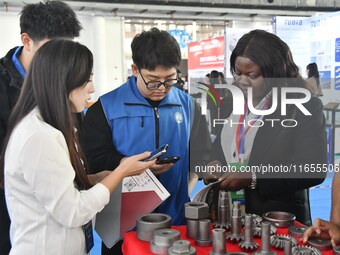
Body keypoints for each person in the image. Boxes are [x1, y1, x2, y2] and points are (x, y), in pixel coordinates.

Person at [0, 39, 155, 255]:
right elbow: (74, 211)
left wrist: (94, 179)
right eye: (87, 80)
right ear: (62, 81)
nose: (92, 88)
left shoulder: (56, 127)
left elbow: (56, 187)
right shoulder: (39, 136)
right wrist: (120, 172)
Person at [79, 27, 211, 255]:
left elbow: (202, 154)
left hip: (176, 220)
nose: (161, 88)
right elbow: (93, 162)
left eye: (169, 80)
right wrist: (132, 166)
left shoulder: (188, 105)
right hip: (122, 224)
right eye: (152, 81)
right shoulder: (106, 108)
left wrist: (207, 168)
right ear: (135, 70)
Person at [207, 29, 327, 226]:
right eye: (237, 72)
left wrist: (254, 176)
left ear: (275, 72)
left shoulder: (302, 106)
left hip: (277, 219)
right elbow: (221, 145)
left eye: (252, 75)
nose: (242, 81)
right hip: (231, 214)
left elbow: (314, 168)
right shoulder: (233, 99)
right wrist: (214, 162)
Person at [0, 1, 82, 253]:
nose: (61, 59)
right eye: (52, 49)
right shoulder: (3, 86)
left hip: (62, 211)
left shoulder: (65, 82)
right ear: (27, 40)